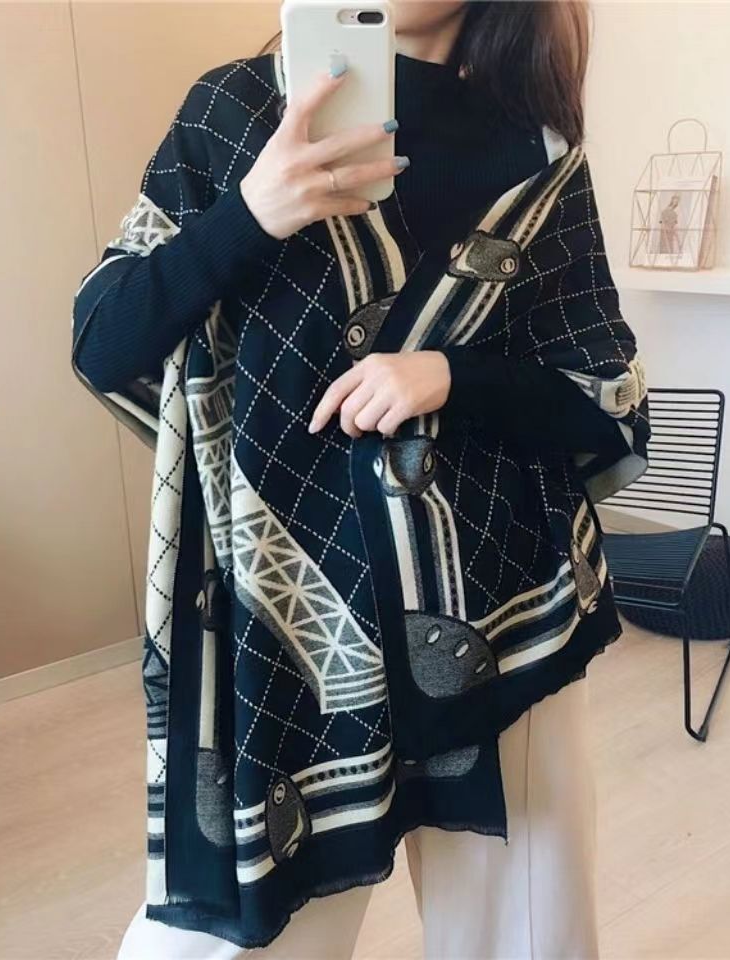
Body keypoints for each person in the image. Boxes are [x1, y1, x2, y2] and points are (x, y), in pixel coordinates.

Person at [70, 2, 650, 957]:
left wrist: (450, 375)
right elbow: (103, 338)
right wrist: (250, 216)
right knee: (228, 940)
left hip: (505, 616)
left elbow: (604, 400)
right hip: (293, 641)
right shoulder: (235, 112)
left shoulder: (540, 152)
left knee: (524, 940)